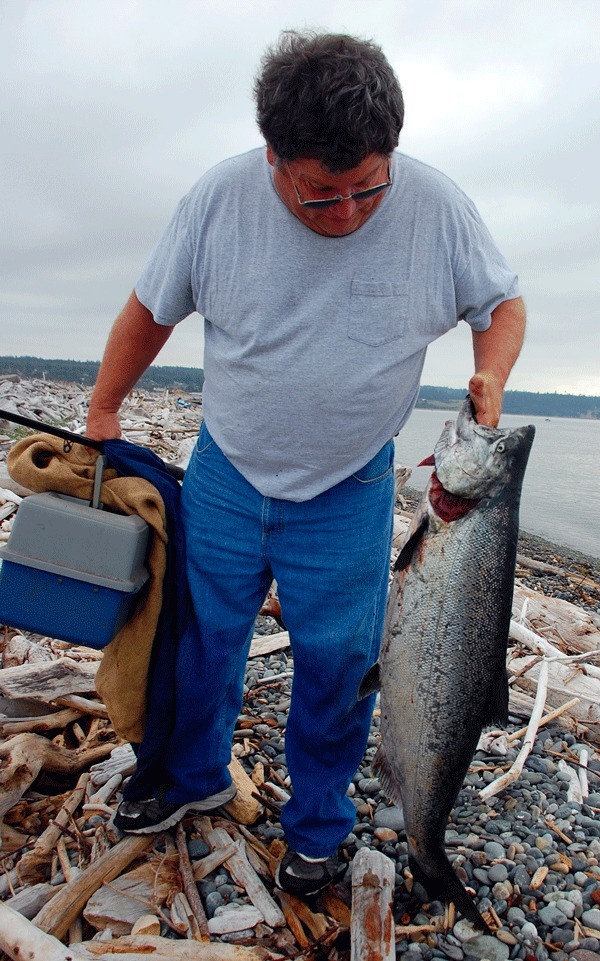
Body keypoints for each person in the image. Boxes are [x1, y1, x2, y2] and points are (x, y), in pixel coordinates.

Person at [86, 31, 526, 896]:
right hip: (226, 471)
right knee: (204, 641)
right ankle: (190, 775)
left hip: (349, 487)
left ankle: (319, 825)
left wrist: (492, 372)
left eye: (369, 186)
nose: (351, 213)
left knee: (338, 663)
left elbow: (502, 302)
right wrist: (102, 409)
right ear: (275, 156)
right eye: (322, 194)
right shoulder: (219, 198)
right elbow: (150, 308)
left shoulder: (436, 207)